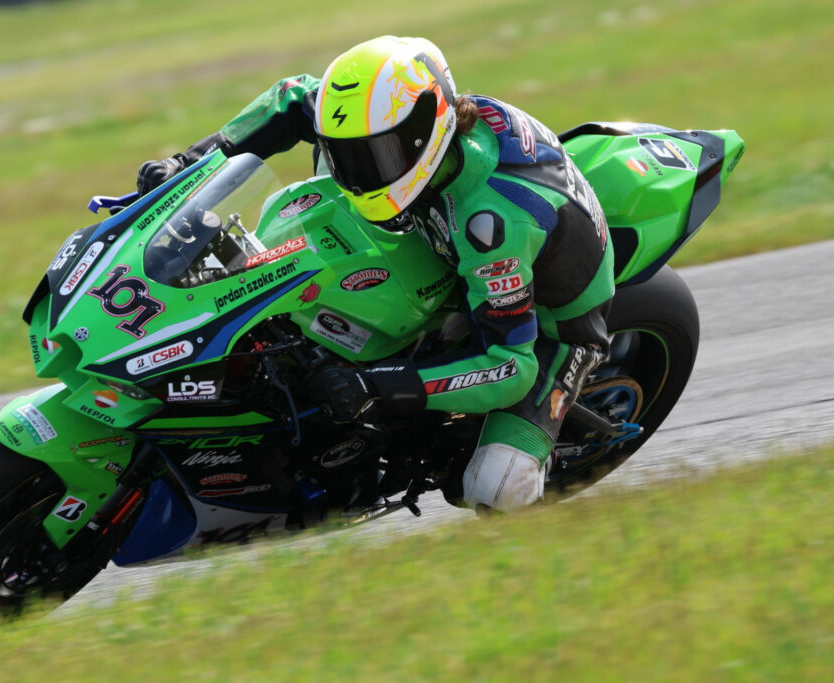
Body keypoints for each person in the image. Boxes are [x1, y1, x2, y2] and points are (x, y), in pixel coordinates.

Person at [136, 36, 614, 513]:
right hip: (446, 236)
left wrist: (377, 385)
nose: (355, 174)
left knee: (495, 487)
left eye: (374, 157)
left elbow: (511, 366)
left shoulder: (492, 229)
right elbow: (290, 97)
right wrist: (187, 164)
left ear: (424, 132)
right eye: (343, 155)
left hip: (555, 325)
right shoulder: (389, 123)